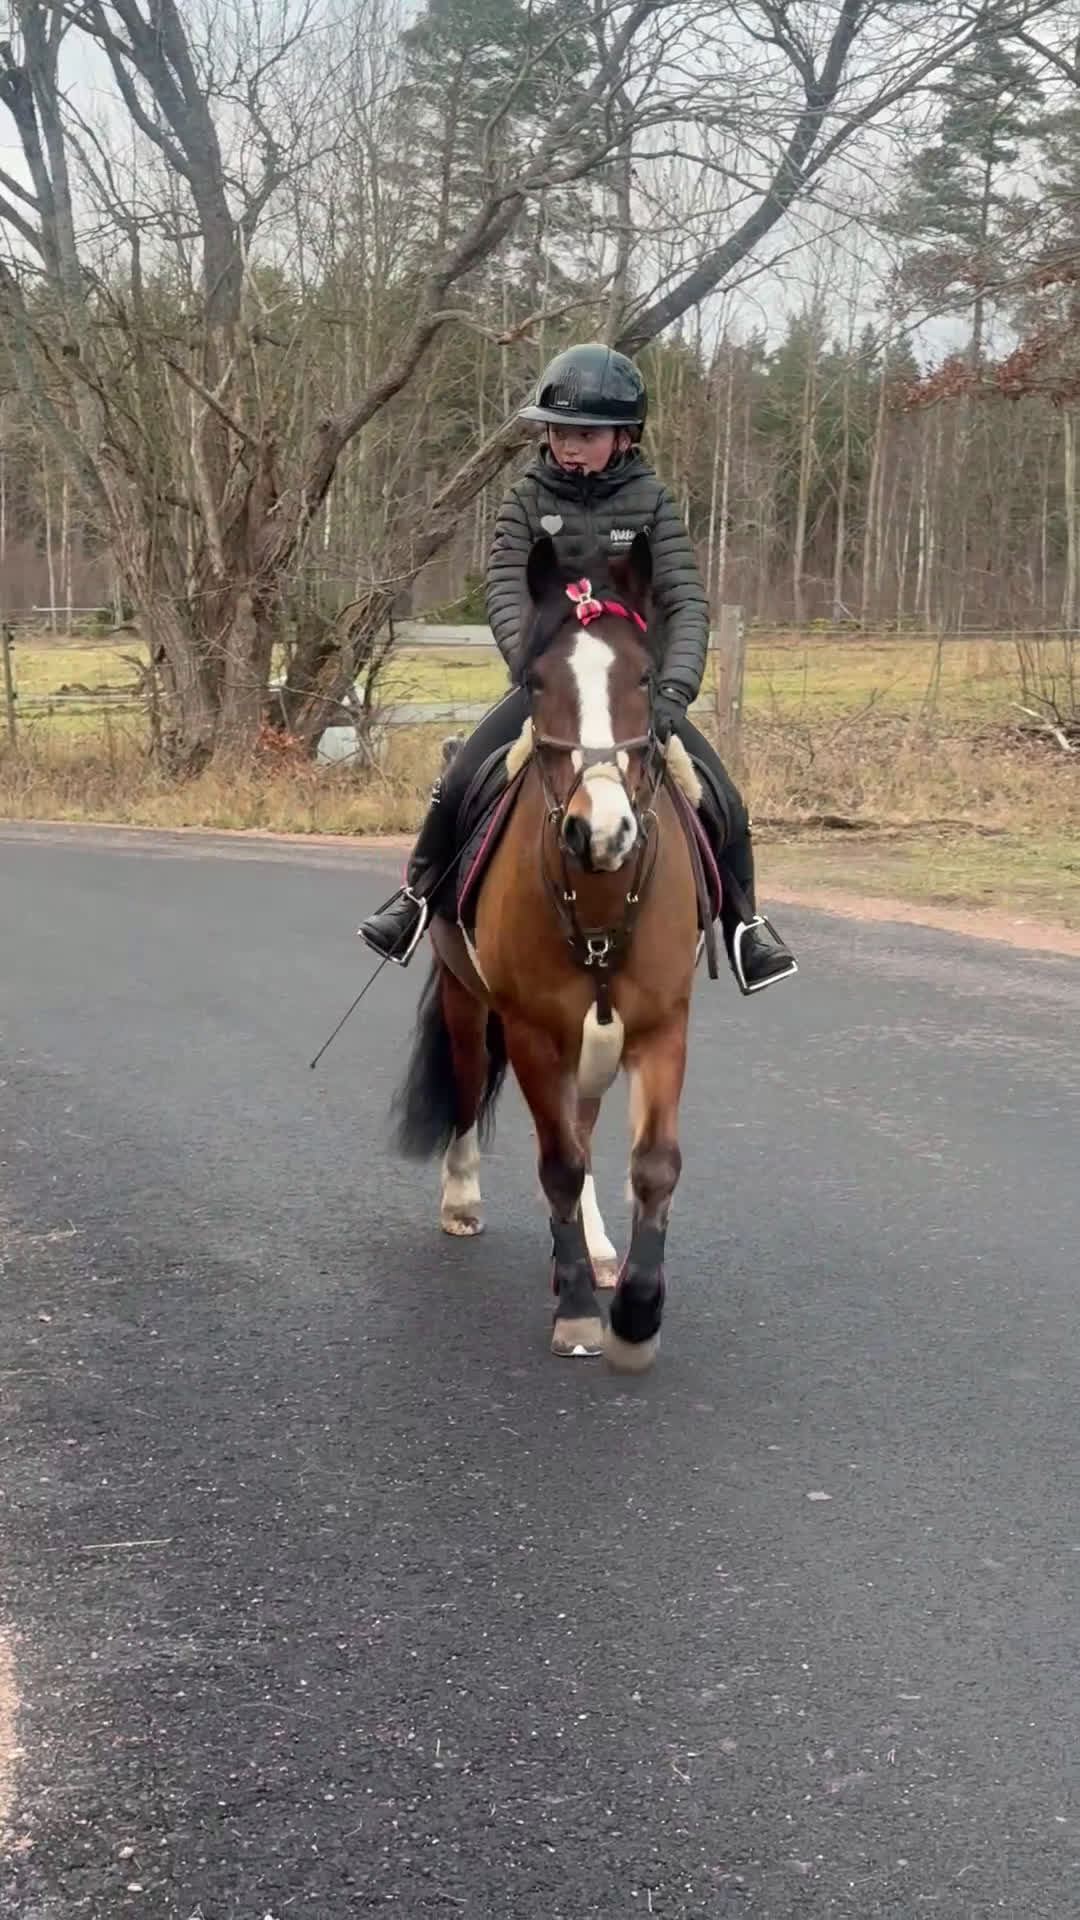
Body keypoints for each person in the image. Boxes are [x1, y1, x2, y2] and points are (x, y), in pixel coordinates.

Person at [359, 343, 797, 994]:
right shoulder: (526, 497)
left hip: (631, 690)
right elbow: (507, 590)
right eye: (558, 432)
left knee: (723, 798)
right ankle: (415, 900)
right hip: (554, 685)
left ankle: (745, 927)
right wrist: (535, 669)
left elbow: (682, 600)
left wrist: (671, 691)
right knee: (456, 784)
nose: (568, 447)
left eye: (585, 435)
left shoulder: (651, 500)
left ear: (624, 436)